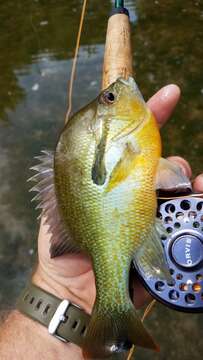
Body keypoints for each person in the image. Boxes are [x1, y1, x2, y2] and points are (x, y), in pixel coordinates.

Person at [0, 84, 202, 360]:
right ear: (102, 129)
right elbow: (170, 177)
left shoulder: (121, 141)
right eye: (110, 98)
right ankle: (113, 308)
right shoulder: (125, 142)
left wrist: (58, 293)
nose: (117, 91)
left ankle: (108, 322)